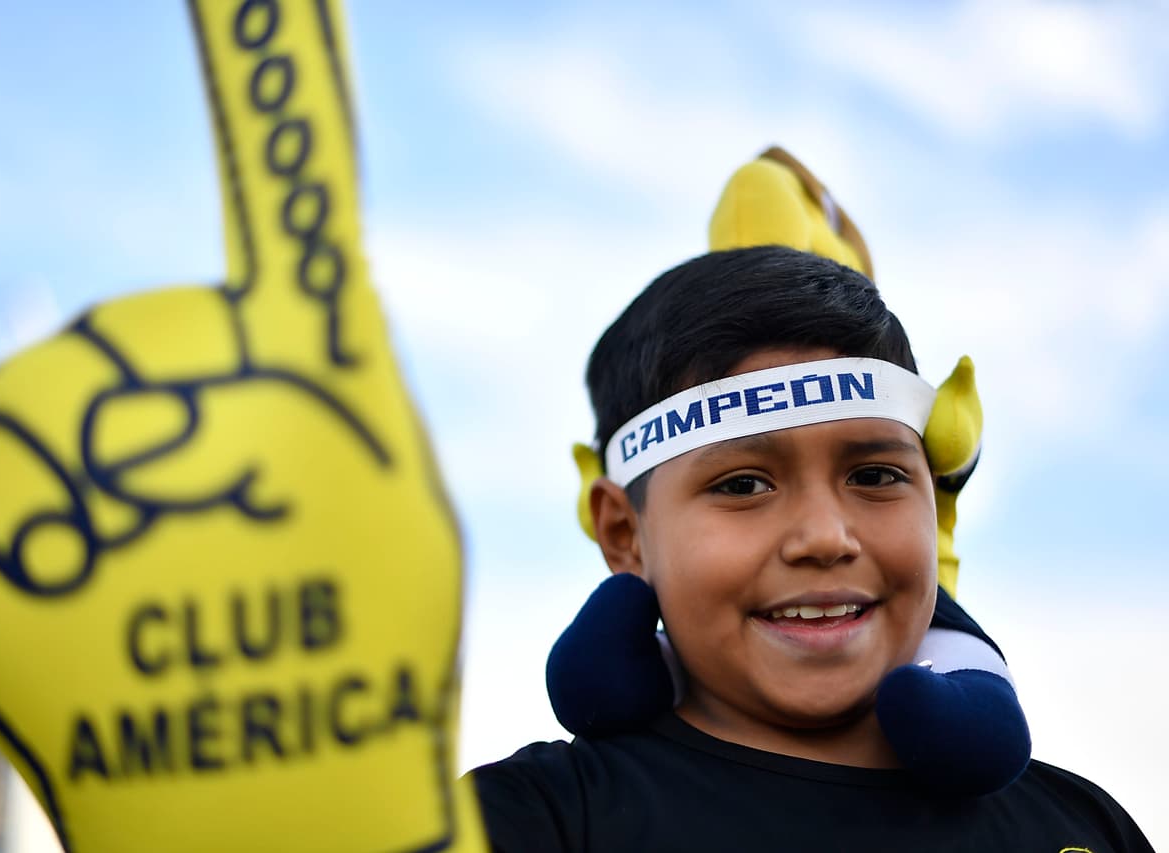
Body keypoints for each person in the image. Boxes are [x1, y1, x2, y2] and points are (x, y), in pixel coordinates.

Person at [469, 246, 1152, 852]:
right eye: (743, 484)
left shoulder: (1082, 825)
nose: (826, 537)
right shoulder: (530, 821)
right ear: (625, 534)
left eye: (875, 476)